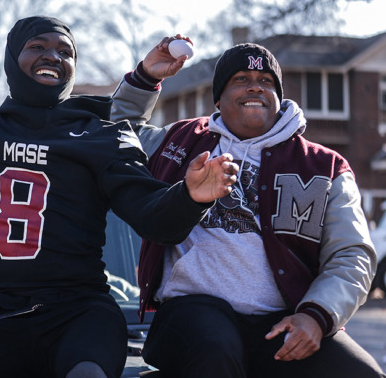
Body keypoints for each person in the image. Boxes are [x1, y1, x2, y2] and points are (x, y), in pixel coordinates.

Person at [0, 16, 239, 378]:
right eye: (38, 46)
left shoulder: (103, 135)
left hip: (81, 314)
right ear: (12, 57)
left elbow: (155, 220)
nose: (52, 56)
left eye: (65, 51)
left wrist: (191, 197)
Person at [110, 39, 383, 377]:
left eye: (266, 81)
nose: (255, 86)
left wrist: (316, 316)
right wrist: (145, 78)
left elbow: (352, 255)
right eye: (241, 79)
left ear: (278, 97)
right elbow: (117, 132)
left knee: (361, 372)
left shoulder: (326, 168)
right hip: (192, 313)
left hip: (281, 320)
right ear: (219, 99)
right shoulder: (177, 141)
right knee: (216, 349)